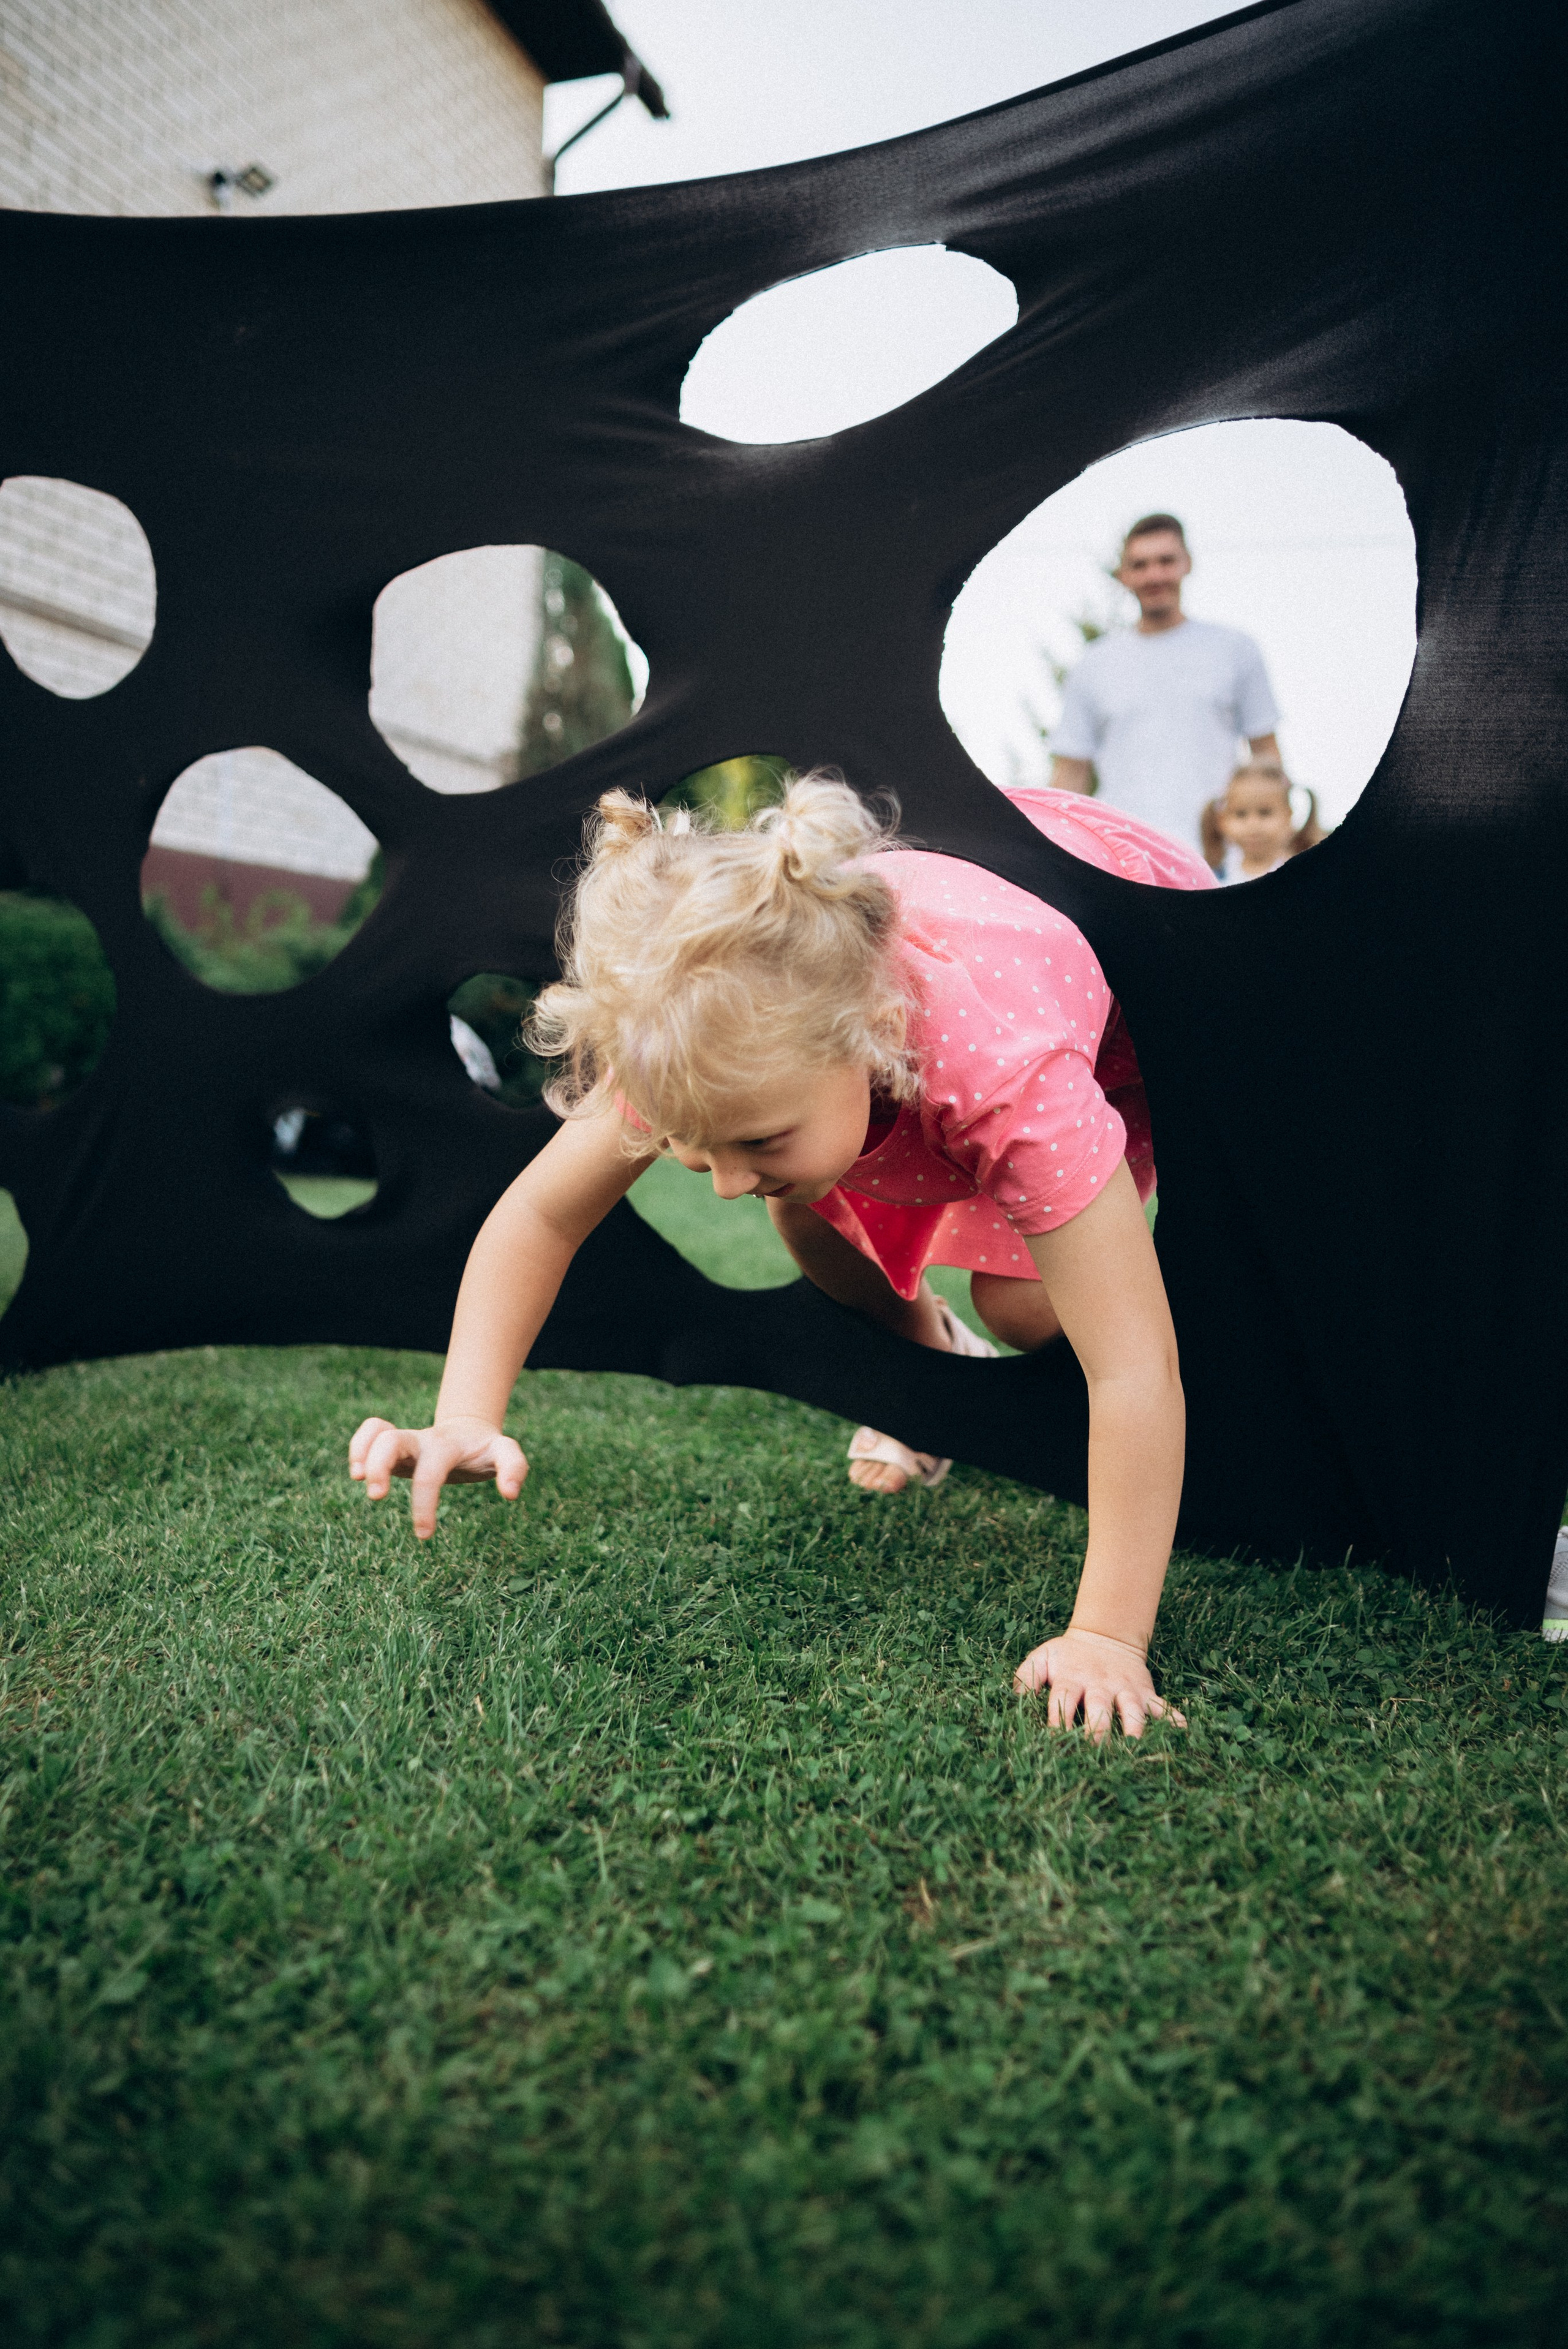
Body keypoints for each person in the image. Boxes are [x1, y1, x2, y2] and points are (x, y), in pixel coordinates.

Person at [349, 773, 1213, 1739]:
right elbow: (539, 1218)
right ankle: (931, 1373)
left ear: (871, 1039)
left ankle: (1010, 1347)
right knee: (802, 1211)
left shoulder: (1006, 1070)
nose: (724, 1182)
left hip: (1144, 971)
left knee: (1026, 1310)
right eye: (693, 1143)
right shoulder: (694, 1032)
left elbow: (1133, 1363)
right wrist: (467, 1413)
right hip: (907, 1030)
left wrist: (1108, 1633)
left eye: (757, 1138)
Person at [1049, 513, 1282, 858]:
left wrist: (1279, 846)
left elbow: (1267, 756)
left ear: (1187, 564)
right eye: (1140, 565)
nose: (1154, 575)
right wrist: (1055, 852)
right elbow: (1070, 772)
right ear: (1124, 575)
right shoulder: (1092, 664)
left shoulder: (1235, 650)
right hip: (1120, 857)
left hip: (1217, 858)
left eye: (1166, 561)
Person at [1200, 758, 1325, 881]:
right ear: (1223, 820)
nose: (1253, 825)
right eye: (1241, 814)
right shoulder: (1215, 876)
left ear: (1288, 817)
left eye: (1265, 813)